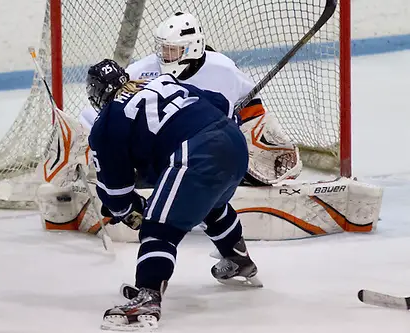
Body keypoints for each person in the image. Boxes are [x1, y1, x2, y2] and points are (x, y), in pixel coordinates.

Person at [86, 59, 260, 330]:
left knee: (159, 226)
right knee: (208, 205)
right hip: (234, 143)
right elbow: (222, 103)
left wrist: (128, 210)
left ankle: (148, 296)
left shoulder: (107, 121)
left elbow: (116, 192)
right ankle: (237, 258)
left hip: (197, 151)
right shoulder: (161, 82)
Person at [79, 12, 302, 186]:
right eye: (163, 49)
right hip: (164, 151)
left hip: (209, 147)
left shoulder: (223, 69)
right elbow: (114, 109)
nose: (165, 56)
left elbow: (252, 111)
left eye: (172, 50)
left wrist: (254, 144)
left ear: (193, 47)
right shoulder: (143, 69)